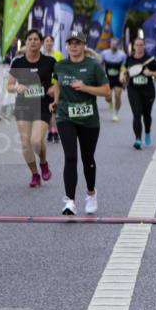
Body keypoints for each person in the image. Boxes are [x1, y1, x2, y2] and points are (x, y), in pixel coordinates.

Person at [51, 32, 110, 215]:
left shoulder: (93, 66)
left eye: (78, 43)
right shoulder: (60, 65)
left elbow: (106, 92)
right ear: (66, 46)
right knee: (70, 157)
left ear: (84, 45)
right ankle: (70, 201)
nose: (74, 46)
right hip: (65, 116)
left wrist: (85, 87)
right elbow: (58, 85)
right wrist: (55, 100)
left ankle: (91, 193)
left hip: (89, 119)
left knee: (87, 159)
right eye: (70, 43)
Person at [7, 29, 56, 187]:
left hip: (42, 104)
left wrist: (55, 90)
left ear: (41, 42)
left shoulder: (49, 61)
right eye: (30, 39)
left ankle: (43, 162)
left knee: (36, 141)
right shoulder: (18, 62)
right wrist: (17, 88)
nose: (33, 42)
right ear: (26, 42)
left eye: (36, 39)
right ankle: (35, 174)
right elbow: (9, 86)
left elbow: (59, 81)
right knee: (26, 143)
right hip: (23, 105)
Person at [123, 38, 156, 150]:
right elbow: (125, 71)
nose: (139, 47)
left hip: (148, 91)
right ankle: (138, 139)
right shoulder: (129, 59)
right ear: (133, 46)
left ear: (144, 46)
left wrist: (151, 73)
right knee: (137, 114)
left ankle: (147, 132)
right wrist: (123, 75)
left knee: (147, 115)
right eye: (137, 45)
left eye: (141, 45)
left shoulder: (149, 60)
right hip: (133, 90)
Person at [99, 38, 127, 122]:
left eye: (115, 44)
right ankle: (110, 102)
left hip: (118, 78)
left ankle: (115, 113)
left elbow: (123, 67)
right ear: (110, 44)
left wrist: (122, 75)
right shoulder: (104, 53)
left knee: (118, 96)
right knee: (108, 98)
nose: (114, 45)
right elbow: (100, 65)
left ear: (118, 45)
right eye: (112, 43)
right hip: (107, 78)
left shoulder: (122, 55)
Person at [41, 34, 62, 143]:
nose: (49, 43)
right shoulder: (40, 55)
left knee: (54, 109)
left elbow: (60, 70)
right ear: (43, 43)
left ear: (53, 43)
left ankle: (54, 131)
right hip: (44, 85)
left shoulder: (58, 54)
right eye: (46, 41)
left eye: (50, 41)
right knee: (48, 110)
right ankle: (51, 131)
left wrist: (56, 85)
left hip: (56, 85)